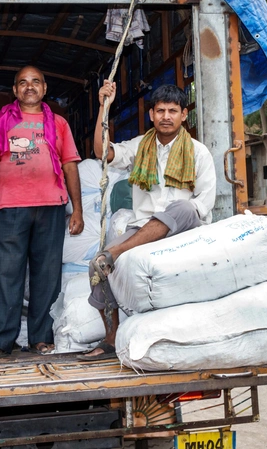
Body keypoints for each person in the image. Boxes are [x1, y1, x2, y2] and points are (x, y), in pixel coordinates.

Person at [78, 80, 216, 360]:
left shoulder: (199, 152)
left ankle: (116, 253)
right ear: (151, 114)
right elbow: (102, 152)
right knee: (96, 265)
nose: (166, 116)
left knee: (185, 207)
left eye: (173, 111)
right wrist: (103, 107)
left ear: (183, 115)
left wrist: (120, 250)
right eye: (161, 111)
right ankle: (111, 337)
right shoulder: (141, 146)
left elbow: (203, 206)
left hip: (184, 228)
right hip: (143, 230)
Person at [0, 66, 84, 360]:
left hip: (51, 207)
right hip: (11, 208)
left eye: (35, 81)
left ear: (44, 88)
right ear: (14, 90)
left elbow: (70, 165)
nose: (29, 87)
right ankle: (0, 340)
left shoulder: (59, 124)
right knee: (7, 274)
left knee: (47, 276)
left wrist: (77, 210)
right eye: (22, 83)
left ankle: (42, 337)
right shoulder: (1, 121)